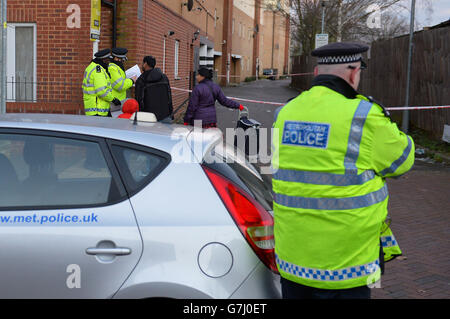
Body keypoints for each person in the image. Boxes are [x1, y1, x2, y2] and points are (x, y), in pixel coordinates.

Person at [272, 42, 415, 299]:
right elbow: (403, 163)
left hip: (293, 261)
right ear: (353, 73)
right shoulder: (364, 116)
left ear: (316, 74)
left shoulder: (284, 113)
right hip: (348, 267)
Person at [82, 48, 121, 117]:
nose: (109, 62)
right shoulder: (98, 71)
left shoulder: (91, 66)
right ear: (103, 59)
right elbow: (101, 91)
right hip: (98, 110)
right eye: (108, 60)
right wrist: (113, 99)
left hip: (93, 108)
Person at [135, 56, 173, 122]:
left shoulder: (141, 80)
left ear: (145, 64)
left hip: (148, 118)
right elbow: (169, 96)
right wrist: (171, 113)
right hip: (165, 115)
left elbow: (139, 100)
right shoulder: (164, 77)